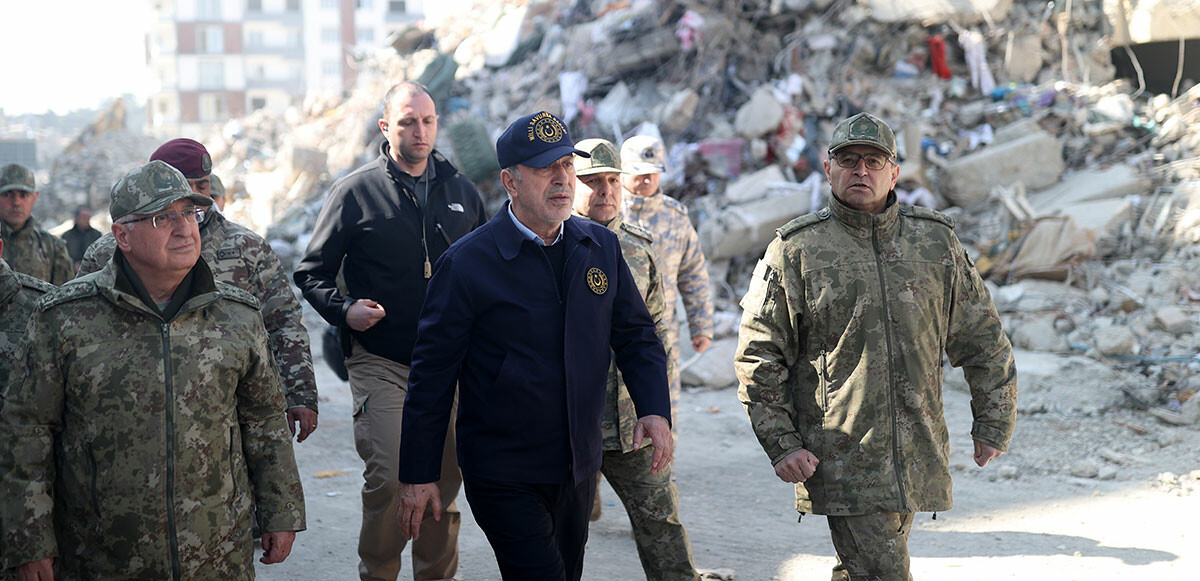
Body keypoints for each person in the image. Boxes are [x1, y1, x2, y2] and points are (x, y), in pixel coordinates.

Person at [734, 112, 1018, 580]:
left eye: (873, 160)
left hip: (918, 450)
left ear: (894, 172)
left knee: (864, 569)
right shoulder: (797, 250)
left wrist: (994, 420)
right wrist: (782, 442)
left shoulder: (935, 242)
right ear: (828, 169)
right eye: (848, 160)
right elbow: (759, 354)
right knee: (884, 572)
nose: (860, 171)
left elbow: (981, 336)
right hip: (844, 457)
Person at [395, 111, 673, 581]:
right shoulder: (466, 265)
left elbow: (636, 336)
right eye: (547, 168)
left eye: (566, 164)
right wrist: (418, 474)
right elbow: (432, 376)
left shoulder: (600, 247)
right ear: (510, 180)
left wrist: (654, 409)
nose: (563, 179)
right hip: (504, 470)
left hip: (578, 464)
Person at [0, 160, 306, 579]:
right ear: (122, 235)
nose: (184, 229)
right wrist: (30, 540)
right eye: (163, 217)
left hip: (216, 554)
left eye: (189, 213)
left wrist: (281, 509)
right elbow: (27, 431)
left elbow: (264, 419)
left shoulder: (235, 314)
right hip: (102, 558)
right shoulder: (65, 317)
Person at [294, 81, 486, 581]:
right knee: (392, 476)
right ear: (386, 127)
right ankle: (378, 571)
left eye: (426, 120)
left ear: (437, 123)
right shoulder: (354, 192)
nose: (418, 131)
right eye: (406, 121)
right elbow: (310, 273)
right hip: (381, 361)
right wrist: (345, 310)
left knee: (442, 485)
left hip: (450, 367)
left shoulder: (462, 192)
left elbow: (491, 274)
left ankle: (435, 575)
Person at [79, 138, 319, 443]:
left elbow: (283, 320)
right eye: (182, 184)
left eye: (202, 186)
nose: (193, 195)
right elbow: (82, 326)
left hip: (231, 407)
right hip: (136, 410)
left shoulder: (247, 247)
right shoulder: (109, 251)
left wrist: (300, 393)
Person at [572, 138, 700, 581]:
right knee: (558, 539)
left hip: (631, 428)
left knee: (662, 527)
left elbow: (655, 336)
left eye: (612, 180)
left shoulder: (641, 247)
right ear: (570, 183)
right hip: (567, 426)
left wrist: (659, 412)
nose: (606, 191)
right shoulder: (549, 246)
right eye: (592, 181)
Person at [619, 135, 714, 428]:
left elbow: (693, 272)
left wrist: (702, 326)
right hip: (610, 337)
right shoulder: (607, 212)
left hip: (661, 337)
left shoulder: (675, 217)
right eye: (638, 172)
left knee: (660, 415)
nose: (646, 179)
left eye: (652, 172)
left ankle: (659, 472)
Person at [0, 164, 72, 285]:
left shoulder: (52, 247)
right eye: (8, 194)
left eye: (23, 195)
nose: (16, 202)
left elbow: (65, 299)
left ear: (35, 197)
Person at [61, 205, 102, 271]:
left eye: (88, 217)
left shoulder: (96, 235)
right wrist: (73, 265)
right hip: (71, 273)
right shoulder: (67, 236)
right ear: (77, 218)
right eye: (83, 217)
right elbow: (62, 257)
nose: (86, 219)